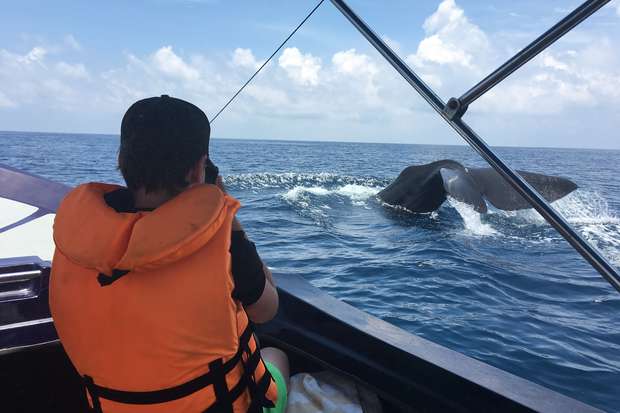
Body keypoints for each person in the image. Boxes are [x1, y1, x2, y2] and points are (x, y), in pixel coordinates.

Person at [49, 95, 289, 413]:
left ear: (123, 160)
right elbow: (266, 310)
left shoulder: (76, 241)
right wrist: (223, 212)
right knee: (277, 357)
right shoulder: (220, 241)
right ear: (198, 169)